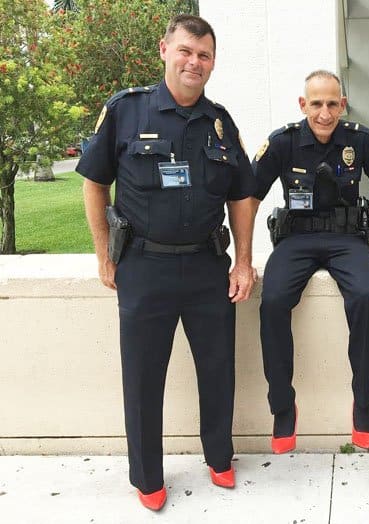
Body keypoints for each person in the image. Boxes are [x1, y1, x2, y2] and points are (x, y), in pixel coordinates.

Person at [78, 15, 257, 511]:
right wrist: (103, 254)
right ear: (164, 50)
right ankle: (147, 477)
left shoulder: (221, 122)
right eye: (185, 51)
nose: (193, 62)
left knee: (219, 369)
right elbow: (94, 182)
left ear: (212, 62)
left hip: (206, 266)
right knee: (142, 377)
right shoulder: (126, 111)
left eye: (203, 55)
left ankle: (219, 457)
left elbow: (243, 195)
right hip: (143, 266)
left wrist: (243, 262)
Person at [251, 70, 369, 454]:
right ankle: (283, 407)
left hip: (347, 239)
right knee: (273, 302)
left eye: (332, 103)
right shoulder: (283, 142)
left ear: (342, 104)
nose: (325, 113)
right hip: (296, 238)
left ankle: (363, 404)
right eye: (316, 104)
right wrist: (243, 260)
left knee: (365, 297)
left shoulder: (359, 139)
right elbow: (248, 197)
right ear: (303, 105)